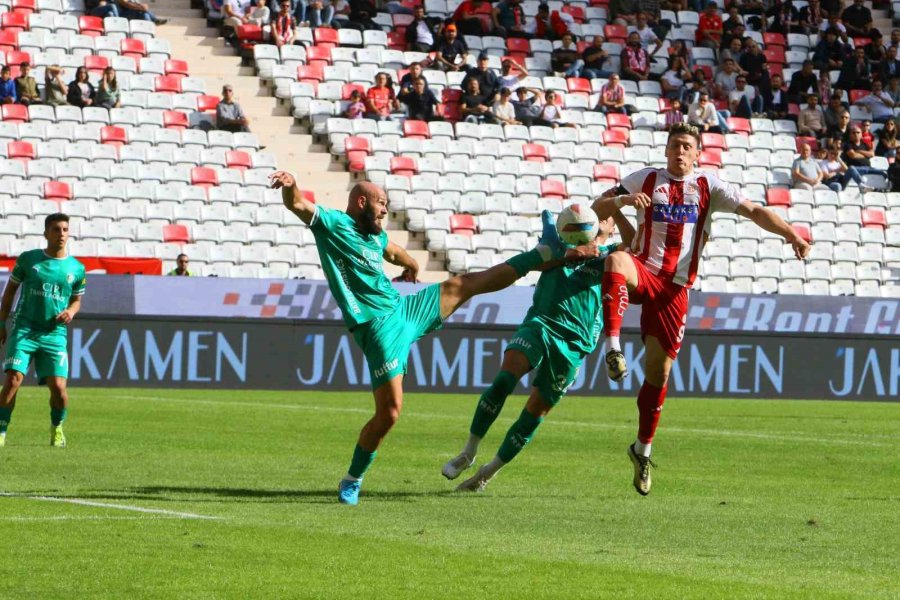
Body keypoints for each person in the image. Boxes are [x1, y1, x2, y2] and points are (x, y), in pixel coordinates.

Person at [268, 172, 578, 505]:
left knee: (465, 284)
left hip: (405, 309)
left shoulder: (375, 236)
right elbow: (298, 204)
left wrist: (412, 264)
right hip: (377, 327)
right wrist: (291, 186)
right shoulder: (334, 225)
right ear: (362, 202)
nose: (386, 210)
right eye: (381, 203)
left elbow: (394, 251)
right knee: (390, 413)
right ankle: (352, 478)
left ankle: (543, 253)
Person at [592, 123, 810, 495]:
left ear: (697, 153)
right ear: (666, 150)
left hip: (675, 290)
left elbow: (755, 211)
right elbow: (600, 205)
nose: (680, 152)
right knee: (615, 261)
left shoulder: (710, 187)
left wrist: (791, 233)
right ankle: (612, 348)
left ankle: (641, 451)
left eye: (687, 147)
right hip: (643, 270)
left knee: (658, 376)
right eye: (674, 145)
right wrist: (624, 205)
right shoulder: (644, 179)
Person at [445, 215, 635, 492]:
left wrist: (616, 214)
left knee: (535, 411)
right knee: (503, 381)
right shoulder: (556, 244)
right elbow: (537, 257)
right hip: (540, 325)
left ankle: (488, 472)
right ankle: (468, 452)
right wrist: (575, 250)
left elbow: (635, 243)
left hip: (574, 344)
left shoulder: (610, 256)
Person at [0, 213, 87, 449]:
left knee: (59, 388)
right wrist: (2, 323)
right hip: (25, 328)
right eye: (57, 229)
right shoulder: (29, 260)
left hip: (54, 334)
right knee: (13, 381)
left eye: (65, 229)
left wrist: (71, 311)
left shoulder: (77, 268)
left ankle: (57, 428)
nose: (62, 234)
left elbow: (77, 300)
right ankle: (1, 430)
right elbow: (9, 293)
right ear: (46, 232)